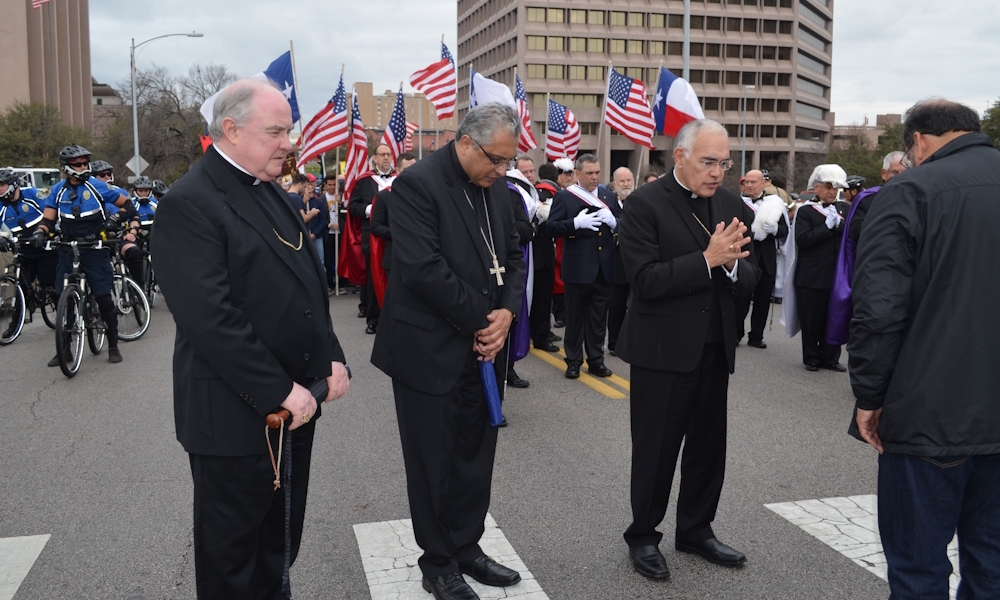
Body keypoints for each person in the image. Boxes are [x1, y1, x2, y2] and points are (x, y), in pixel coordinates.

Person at [150, 79, 351, 599]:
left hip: (296, 405)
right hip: (236, 418)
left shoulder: (273, 191)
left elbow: (308, 285)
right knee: (232, 561)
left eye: (289, 130)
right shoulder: (189, 203)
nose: (288, 142)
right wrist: (279, 390)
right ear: (231, 129)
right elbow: (209, 319)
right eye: (276, 131)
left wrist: (330, 354)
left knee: (277, 547)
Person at [371, 103, 525, 600]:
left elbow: (517, 253)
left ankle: (467, 546)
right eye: (495, 161)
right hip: (428, 348)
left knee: (475, 454)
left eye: (507, 162)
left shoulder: (497, 188)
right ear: (464, 142)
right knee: (433, 461)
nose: (502, 172)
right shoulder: (417, 185)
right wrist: (486, 319)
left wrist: (506, 313)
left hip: (484, 346)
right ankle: (438, 563)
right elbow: (422, 269)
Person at [850, 99, 1000, 599]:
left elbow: (878, 310)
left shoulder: (909, 191)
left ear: (917, 141)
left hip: (930, 411)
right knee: (994, 563)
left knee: (918, 568)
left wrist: (869, 397)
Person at [616, 119, 758, 579]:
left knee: (707, 447)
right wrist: (707, 260)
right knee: (656, 450)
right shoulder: (643, 205)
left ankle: (696, 529)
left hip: (715, 345)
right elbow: (644, 281)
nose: (717, 173)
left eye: (724, 163)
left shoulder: (734, 205)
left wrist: (734, 270)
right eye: (708, 162)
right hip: (662, 350)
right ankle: (643, 535)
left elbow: (752, 276)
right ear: (680, 157)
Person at [32, 144, 132, 365]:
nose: (83, 167)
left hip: (94, 249)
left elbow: (128, 205)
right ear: (67, 168)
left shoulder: (98, 187)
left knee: (103, 297)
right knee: (61, 297)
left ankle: (113, 346)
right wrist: (40, 233)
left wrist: (115, 220)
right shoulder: (57, 190)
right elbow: (48, 219)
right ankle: (64, 350)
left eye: (85, 163)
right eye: (78, 164)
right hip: (68, 249)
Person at [546, 154, 621, 379]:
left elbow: (625, 227)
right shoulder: (566, 198)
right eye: (589, 173)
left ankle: (596, 360)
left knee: (599, 320)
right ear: (577, 174)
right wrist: (574, 224)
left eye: (597, 172)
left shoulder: (609, 196)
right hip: (578, 268)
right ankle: (573, 361)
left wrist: (615, 223)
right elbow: (551, 228)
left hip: (604, 268)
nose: (594, 177)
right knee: (575, 319)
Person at [782, 164, 849, 372]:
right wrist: (826, 228)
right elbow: (803, 240)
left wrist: (839, 225)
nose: (831, 191)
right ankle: (811, 356)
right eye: (827, 187)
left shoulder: (843, 209)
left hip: (836, 275)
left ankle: (830, 357)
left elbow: (852, 236)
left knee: (834, 317)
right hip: (811, 275)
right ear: (816, 188)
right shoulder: (806, 211)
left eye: (835, 188)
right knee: (811, 319)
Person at [734, 169, 788, 349]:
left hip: (766, 258)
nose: (749, 185)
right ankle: (735, 333)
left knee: (763, 299)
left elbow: (784, 230)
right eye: (746, 182)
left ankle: (756, 335)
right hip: (744, 256)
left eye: (753, 182)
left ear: (763, 183)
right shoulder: (737, 203)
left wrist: (774, 230)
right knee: (740, 298)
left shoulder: (774, 204)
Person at [0, 169, 58, 327]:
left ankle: (65, 320)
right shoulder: (1, 204)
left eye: (2, 185)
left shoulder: (32, 194)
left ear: (13, 185)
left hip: (44, 247)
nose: (0, 188)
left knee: (51, 284)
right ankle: (15, 324)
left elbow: (52, 213)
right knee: (21, 286)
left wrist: (45, 233)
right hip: (23, 248)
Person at [350, 144, 395, 333]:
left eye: (388, 154)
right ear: (374, 158)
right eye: (382, 154)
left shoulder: (401, 179)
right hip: (372, 233)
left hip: (394, 238)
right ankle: (373, 317)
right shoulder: (364, 181)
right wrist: (369, 209)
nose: (385, 158)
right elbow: (353, 206)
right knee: (373, 276)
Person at [369, 152, 417, 295]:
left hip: (419, 257)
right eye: (407, 169)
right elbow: (375, 227)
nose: (411, 173)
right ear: (397, 170)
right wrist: (398, 232)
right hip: (394, 257)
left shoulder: (424, 194)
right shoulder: (384, 196)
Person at [530, 162, 560, 352]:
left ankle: (543, 331)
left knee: (544, 298)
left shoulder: (539, 193)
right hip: (537, 253)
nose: (528, 174)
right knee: (540, 299)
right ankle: (540, 336)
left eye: (530, 171)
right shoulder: (541, 195)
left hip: (545, 252)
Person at [848, 151, 906, 244]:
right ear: (883, 173)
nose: (900, 177)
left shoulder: (915, 198)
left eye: (904, 172)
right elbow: (855, 232)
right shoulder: (868, 199)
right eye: (895, 172)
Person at [607, 166, 634, 356]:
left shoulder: (639, 201)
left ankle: (633, 341)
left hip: (636, 262)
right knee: (616, 307)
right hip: (615, 262)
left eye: (629, 181)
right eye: (622, 181)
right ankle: (615, 343)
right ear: (614, 183)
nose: (626, 184)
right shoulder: (608, 204)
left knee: (636, 307)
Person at [550, 157, 576, 329]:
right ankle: (559, 314)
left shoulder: (574, 192)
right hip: (556, 241)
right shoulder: (553, 192)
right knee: (557, 279)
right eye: (564, 174)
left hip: (569, 239)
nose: (567, 178)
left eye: (569, 174)